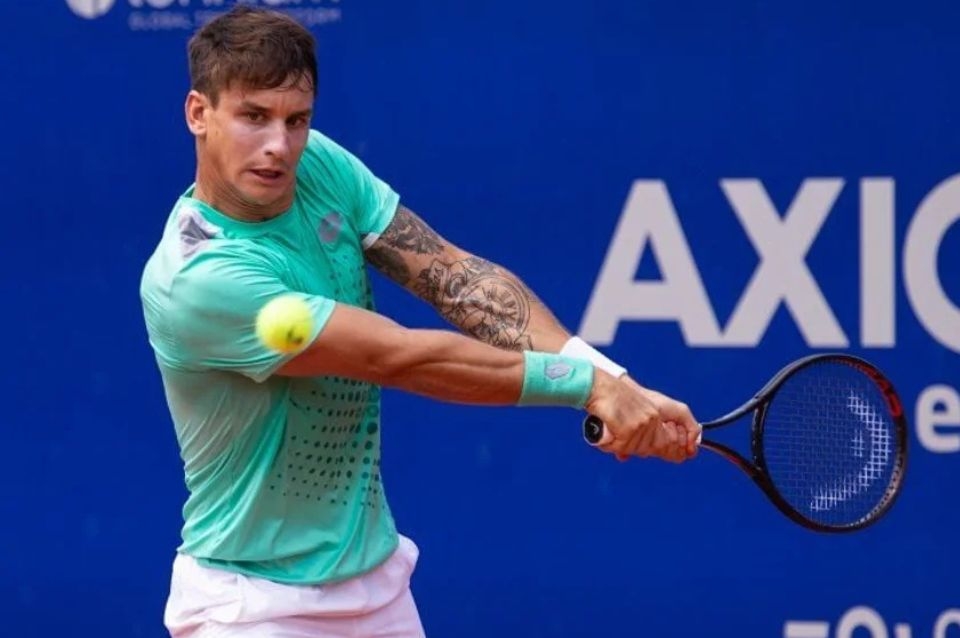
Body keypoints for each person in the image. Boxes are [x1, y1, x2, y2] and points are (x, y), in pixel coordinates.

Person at [140, 6, 700, 637]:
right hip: (252, 607)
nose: (280, 145)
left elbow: (453, 277)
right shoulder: (199, 278)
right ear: (199, 113)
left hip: (377, 589)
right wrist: (587, 388)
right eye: (253, 117)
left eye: (296, 120)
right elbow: (399, 358)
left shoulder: (315, 165)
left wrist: (612, 381)